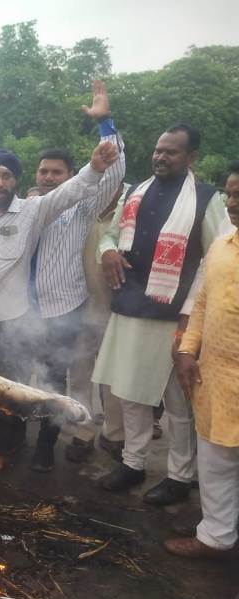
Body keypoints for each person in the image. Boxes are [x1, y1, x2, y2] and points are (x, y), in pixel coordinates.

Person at [0, 139, 119, 476]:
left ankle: (0, 448)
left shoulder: (33, 212)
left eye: (7, 176)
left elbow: (73, 191)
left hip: (7, 320)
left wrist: (94, 167)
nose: (0, 182)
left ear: (16, 181)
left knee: (3, 388)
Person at [93, 124, 226, 505]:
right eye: (158, 150)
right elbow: (109, 234)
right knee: (129, 393)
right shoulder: (136, 192)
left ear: (191, 158)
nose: (160, 157)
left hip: (175, 315)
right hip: (129, 307)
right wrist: (107, 251)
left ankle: (180, 476)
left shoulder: (204, 198)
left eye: (171, 152)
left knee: (176, 403)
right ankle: (133, 463)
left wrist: (191, 317)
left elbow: (218, 258)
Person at [26, 80, 126, 471]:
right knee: (20, 376)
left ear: (71, 175)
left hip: (63, 308)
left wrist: (106, 124)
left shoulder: (82, 209)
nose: (49, 177)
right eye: (43, 171)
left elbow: (115, 171)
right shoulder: (25, 209)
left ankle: (45, 448)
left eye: (56, 172)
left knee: (55, 379)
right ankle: (20, 438)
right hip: (21, 309)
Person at [165, 163, 239, 559]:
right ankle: (216, 534)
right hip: (218, 378)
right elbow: (204, 302)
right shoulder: (223, 246)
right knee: (215, 460)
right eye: (230, 194)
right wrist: (187, 350)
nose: (232, 203)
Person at [65, 183, 129, 463]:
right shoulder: (81, 206)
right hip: (79, 305)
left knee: (114, 374)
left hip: (117, 306)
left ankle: (114, 434)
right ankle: (83, 431)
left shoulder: (132, 205)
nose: (107, 186)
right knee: (79, 371)